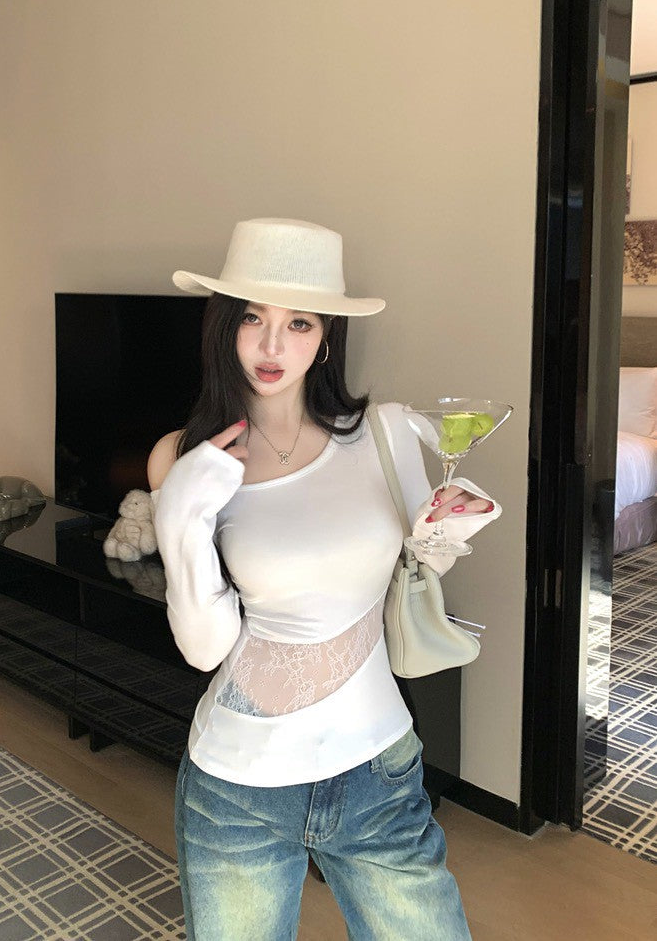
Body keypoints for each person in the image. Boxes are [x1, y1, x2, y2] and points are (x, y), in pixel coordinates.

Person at [147, 217, 500, 941]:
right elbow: (204, 648)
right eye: (253, 318)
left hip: (379, 771)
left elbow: (417, 561)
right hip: (237, 789)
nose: (272, 346)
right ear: (225, 327)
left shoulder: (386, 432)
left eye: (299, 323)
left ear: (327, 337)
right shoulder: (182, 457)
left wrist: (447, 530)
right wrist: (180, 511)